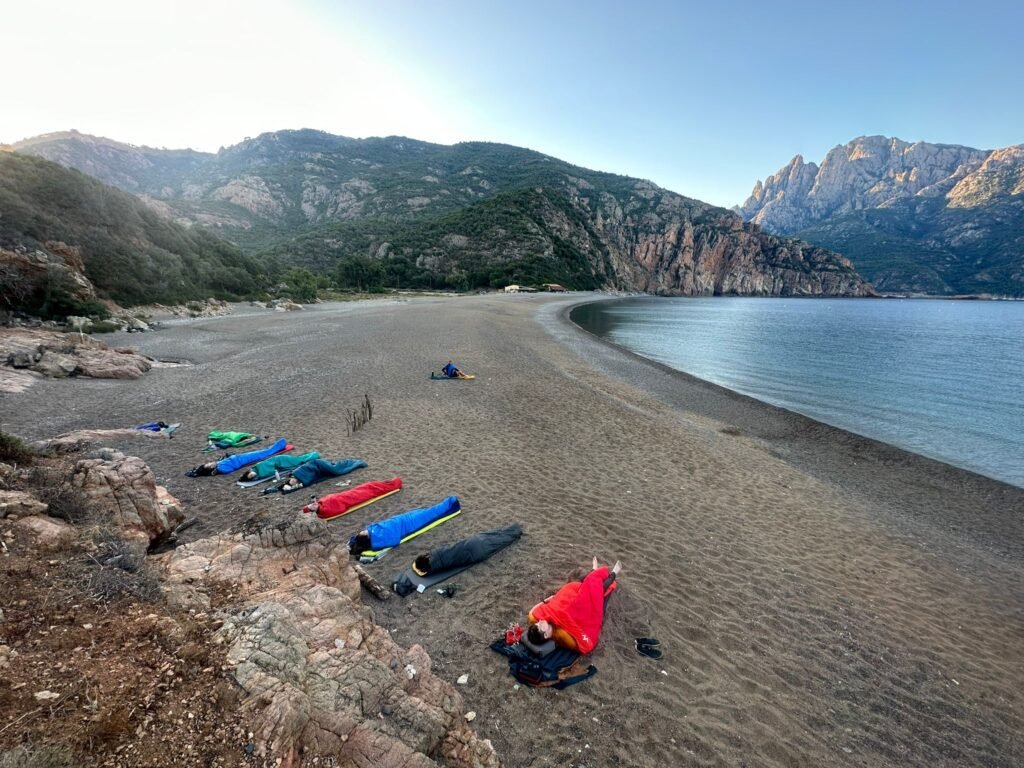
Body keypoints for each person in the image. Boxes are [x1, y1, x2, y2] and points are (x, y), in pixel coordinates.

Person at [525, 557, 622, 654]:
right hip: (580, 611)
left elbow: (532, 612)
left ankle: (593, 570)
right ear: (546, 635)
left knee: (581, 587)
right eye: (541, 625)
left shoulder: (537, 619)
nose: (541, 620)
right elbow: (586, 642)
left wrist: (548, 599)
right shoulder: (562, 636)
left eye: (538, 623)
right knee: (596, 592)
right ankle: (613, 573)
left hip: (567, 600)